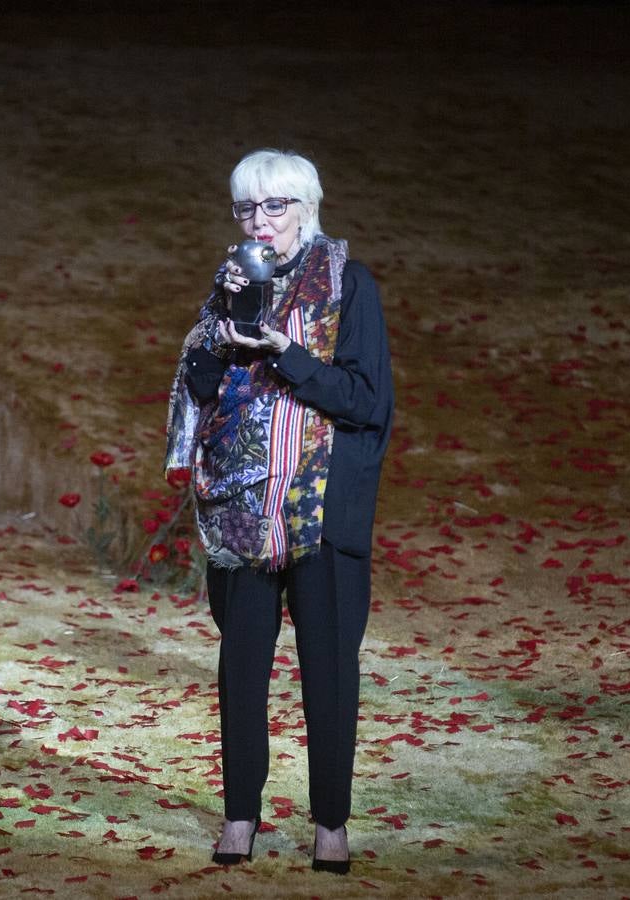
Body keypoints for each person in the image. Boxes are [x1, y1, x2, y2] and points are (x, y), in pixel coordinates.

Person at [165, 149, 394, 875]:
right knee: (241, 669)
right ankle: (241, 816)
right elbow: (197, 390)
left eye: (274, 207)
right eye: (245, 209)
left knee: (329, 670)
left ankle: (331, 823)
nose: (259, 222)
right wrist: (223, 334)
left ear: (307, 209)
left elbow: (365, 402)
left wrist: (284, 353)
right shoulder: (234, 288)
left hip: (322, 512)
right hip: (243, 512)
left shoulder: (350, 287)